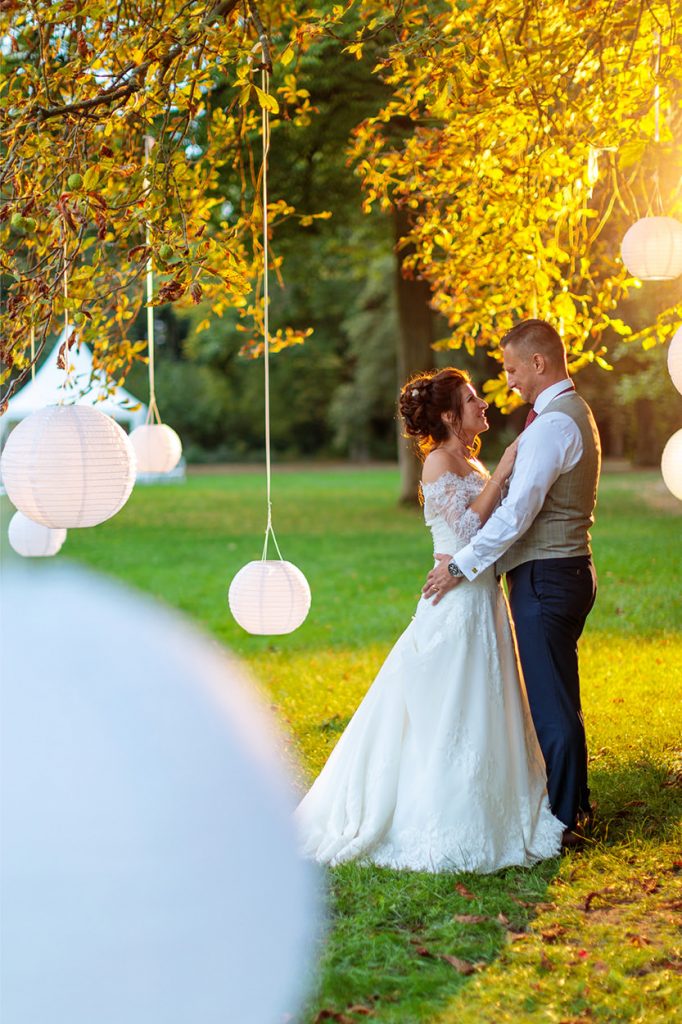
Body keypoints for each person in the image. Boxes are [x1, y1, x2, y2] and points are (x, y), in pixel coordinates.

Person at [295, 367, 564, 873]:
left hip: (481, 595)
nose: (482, 403)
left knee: (486, 702)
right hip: (455, 600)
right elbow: (464, 534)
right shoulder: (439, 462)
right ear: (447, 415)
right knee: (451, 711)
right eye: (471, 399)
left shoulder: (464, 458)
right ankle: (441, 813)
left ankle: (498, 800)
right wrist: (505, 470)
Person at [423, 320, 600, 848]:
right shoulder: (568, 415)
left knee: (550, 703)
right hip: (556, 572)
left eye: (513, 369)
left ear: (539, 364)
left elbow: (517, 513)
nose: (510, 381)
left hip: (547, 577)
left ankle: (566, 820)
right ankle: (575, 803)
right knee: (556, 697)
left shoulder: (551, 426)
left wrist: (459, 566)